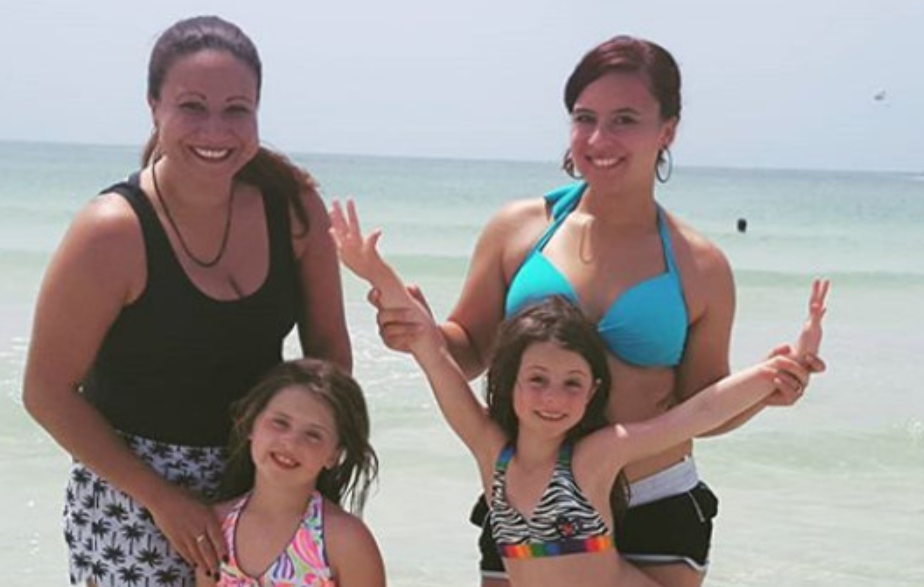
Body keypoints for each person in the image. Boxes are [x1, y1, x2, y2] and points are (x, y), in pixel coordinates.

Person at [368, 35, 825, 586]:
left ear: (667, 130)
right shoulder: (517, 230)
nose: (599, 138)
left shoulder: (700, 265)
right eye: (584, 118)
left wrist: (768, 390)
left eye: (624, 120)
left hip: (656, 502)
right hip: (529, 502)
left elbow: (702, 406)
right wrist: (419, 332)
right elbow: (469, 348)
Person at [330, 199, 827, 587]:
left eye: (572, 383)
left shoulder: (596, 457)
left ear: (592, 393)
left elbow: (695, 414)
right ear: (510, 382)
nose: (553, 397)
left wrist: (775, 372)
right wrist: (375, 272)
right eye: (538, 380)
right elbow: (432, 353)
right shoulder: (492, 454)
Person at [22, 16, 350, 587]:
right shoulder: (112, 231)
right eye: (192, 106)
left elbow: (328, 353)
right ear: (154, 107)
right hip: (130, 503)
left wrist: (299, 472)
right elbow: (46, 393)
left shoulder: (294, 209)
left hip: (263, 486)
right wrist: (162, 499)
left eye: (236, 109)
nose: (214, 129)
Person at [195, 358, 384, 587]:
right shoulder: (215, 527)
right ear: (250, 424)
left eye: (313, 435)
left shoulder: (346, 541)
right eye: (280, 423)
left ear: (333, 455)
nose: (291, 443)